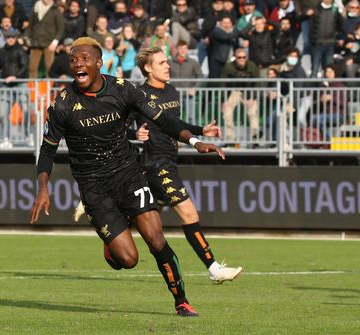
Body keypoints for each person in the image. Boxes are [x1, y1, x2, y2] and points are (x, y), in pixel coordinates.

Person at [30, 37, 225, 317]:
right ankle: (112, 248)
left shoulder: (122, 90)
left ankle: (181, 301)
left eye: (85, 59)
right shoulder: (62, 104)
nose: (78, 64)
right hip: (94, 186)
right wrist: (43, 187)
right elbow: (47, 150)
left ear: (99, 63)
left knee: (156, 239)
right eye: (74, 60)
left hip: (129, 175)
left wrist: (194, 141)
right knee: (129, 259)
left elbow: (164, 120)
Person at [130, 46, 242, 284]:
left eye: (166, 62)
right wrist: (134, 133)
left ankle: (105, 219)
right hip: (156, 163)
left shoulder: (171, 91)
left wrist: (201, 130)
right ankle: (213, 268)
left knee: (145, 222)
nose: (167, 66)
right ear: (148, 69)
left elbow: (173, 122)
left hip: (169, 159)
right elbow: (120, 125)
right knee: (188, 212)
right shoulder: (139, 95)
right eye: (161, 63)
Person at [0, 29, 29, 148]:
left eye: (13, 37)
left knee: (25, 111)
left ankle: (28, 136)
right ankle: (6, 139)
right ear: (5, 38)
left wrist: (15, 77)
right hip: (6, 86)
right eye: (8, 37)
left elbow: (25, 67)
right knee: (3, 114)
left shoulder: (20, 50)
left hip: (20, 84)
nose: (10, 39)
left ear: (15, 38)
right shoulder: (1, 51)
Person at [221, 48, 260, 144]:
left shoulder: (252, 66)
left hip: (249, 92)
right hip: (235, 91)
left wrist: (252, 98)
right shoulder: (228, 67)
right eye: (239, 57)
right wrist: (224, 100)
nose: (242, 59)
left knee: (253, 112)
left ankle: (255, 138)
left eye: (244, 57)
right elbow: (223, 84)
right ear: (235, 58)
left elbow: (257, 83)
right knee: (227, 112)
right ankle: (229, 138)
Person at [27, 0, 65, 78]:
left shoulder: (55, 9)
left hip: (49, 43)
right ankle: (32, 88)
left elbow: (61, 28)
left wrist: (54, 43)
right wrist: (28, 39)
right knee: (32, 67)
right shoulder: (36, 7)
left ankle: (50, 89)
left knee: (50, 68)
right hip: (36, 42)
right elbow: (31, 25)